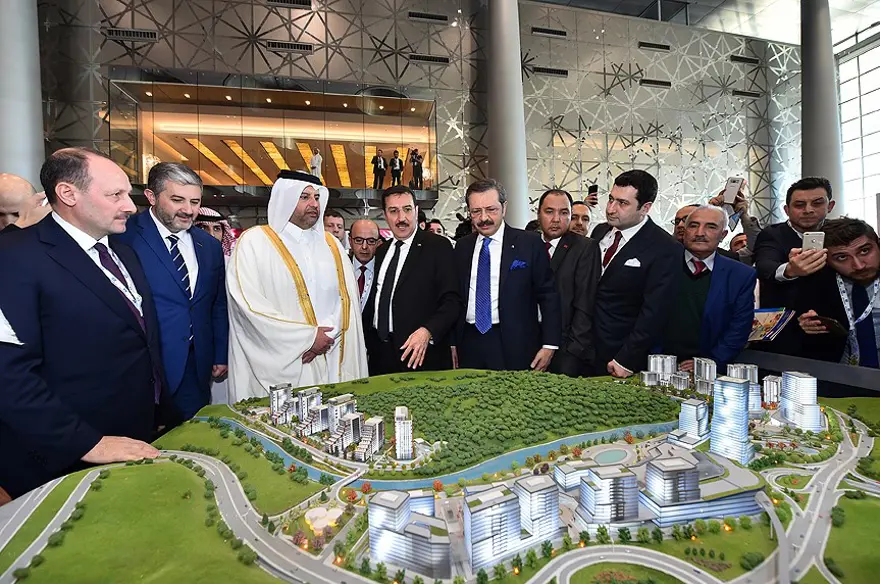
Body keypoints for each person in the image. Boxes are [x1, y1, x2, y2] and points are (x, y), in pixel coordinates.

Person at [0, 148, 171, 501]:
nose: (130, 206)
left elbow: (140, 339)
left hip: (133, 435)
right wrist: (87, 443)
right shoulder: (14, 257)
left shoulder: (124, 252)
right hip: (63, 455)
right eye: (115, 195)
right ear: (68, 194)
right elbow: (9, 374)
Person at [226, 171, 368, 400]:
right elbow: (247, 305)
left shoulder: (331, 245)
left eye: (317, 197)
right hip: (284, 361)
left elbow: (346, 299)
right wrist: (307, 339)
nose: (314, 204)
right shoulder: (254, 243)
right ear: (285, 199)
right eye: (304, 197)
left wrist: (327, 336)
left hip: (331, 355)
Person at [113, 163, 229, 419]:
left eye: (195, 202)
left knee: (194, 435)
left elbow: (217, 304)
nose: (188, 210)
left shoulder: (209, 246)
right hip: (143, 366)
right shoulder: (123, 237)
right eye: (177, 200)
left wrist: (220, 353)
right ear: (151, 196)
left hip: (195, 366)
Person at [453, 179, 561, 371]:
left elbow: (548, 295)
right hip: (468, 343)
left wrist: (549, 344)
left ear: (504, 208)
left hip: (515, 344)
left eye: (491, 209)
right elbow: (456, 297)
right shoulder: (462, 247)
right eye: (476, 211)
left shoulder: (529, 243)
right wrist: (452, 342)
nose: (484, 218)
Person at [590, 170, 681, 377]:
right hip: (585, 349)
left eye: (622, 203)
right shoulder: (600, 232)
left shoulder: (665, 247)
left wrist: (627, 359)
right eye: (611, 199)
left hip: (621, 356)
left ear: (645, 208)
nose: (611, 209)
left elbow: (655, 312)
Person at [363, 185, 461, 374]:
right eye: (394, 211)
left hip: (421, 355)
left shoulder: (438, 247)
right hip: (380, 355)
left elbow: (452, 301)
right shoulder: (382, 251)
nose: (401, 218)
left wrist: (428, 331)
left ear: (416, 211)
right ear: (385, 215)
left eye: (407, 209)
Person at [656, 206, 756, 370]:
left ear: (723, 235)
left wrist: (709, 363)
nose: (700, 233)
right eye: (693, 225)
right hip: (656, 363)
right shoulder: (659, 265)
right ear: (684, 231)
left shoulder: (741, 275)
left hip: (710, 368)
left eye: (711, 227)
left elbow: (739, 328)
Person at [753, 177, 833, 354]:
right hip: (784, 333)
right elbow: (765, 267)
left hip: (830, 329)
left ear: (830, 206)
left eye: (817, 203)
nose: (808, 210)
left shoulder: (839, 233)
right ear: (787, 210)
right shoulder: (772, 234)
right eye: (799, 205)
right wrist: (790, 270)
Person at [798, 217, 880, 368]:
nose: (859, 265)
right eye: (842, 257)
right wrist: (807, 326)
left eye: (865, 251)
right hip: (843, 373)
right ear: (826, 260)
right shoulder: (819, 284)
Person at [538, 189, 601, 376]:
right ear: (538, 213)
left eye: (564, 213)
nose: (556, 219)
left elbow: (585, 304)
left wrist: (573, 351)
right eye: (549, 211)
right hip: (529, 344)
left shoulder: (585, 247)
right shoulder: (528, 244)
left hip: (567, 350)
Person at [349, 219, 380, 313]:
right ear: (350, 241)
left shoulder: (385, 271)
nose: (364, 246)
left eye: (371, 241)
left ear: (378, 243)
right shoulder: (339, 268)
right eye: (358, 240)